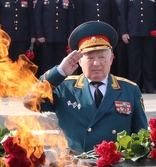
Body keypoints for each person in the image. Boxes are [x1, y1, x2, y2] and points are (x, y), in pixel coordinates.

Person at [23, 21, 147, 153]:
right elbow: (30, 102)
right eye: (89, 57)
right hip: (74, 166)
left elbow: (140, 135)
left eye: (102, 57)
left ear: (111, 59)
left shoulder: (129, 89)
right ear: (79, 61)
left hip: (115, 166)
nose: (96, 63)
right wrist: (59, 72)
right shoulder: (64, 87)